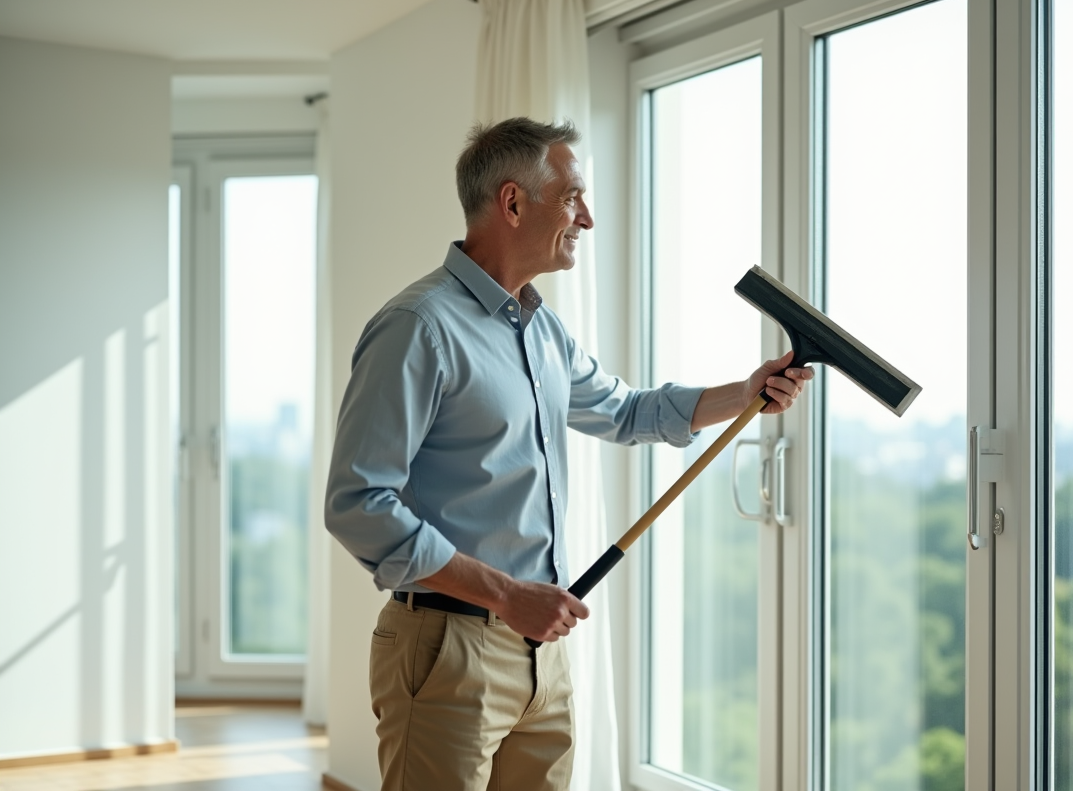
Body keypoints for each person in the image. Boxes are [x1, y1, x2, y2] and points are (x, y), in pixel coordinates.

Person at [324, 117, 813, 791]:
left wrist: (746, 392)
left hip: (540, 653)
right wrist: (506, 595)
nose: (587, 217)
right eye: (572, 198)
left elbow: (626, 411)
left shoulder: (541, 328)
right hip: (448, 648)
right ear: (513, 202)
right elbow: (358, 505)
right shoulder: (419, 328)